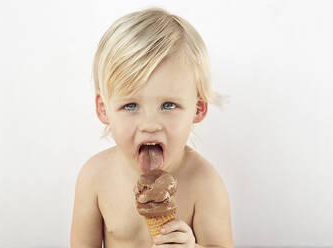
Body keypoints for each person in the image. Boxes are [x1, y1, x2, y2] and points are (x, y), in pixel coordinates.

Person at [70, 7, 233, 248]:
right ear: (104, 108)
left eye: (168, 105)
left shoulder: (205, 183)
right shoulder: (94, 177)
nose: (149, 125)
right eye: (130, 106)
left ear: (198, 108)